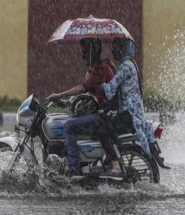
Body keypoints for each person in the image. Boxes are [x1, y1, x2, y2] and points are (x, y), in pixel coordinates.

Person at [99, 37, 169, 179]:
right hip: (133, 114)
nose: (114, 51)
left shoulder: (125, 66)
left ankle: (115, 166)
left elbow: (110, 90)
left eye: (117, 47)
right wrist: (112, 66)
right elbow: (120, 80)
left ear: (124, 49)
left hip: (128, 115)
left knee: (103, 130)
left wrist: (101, 84)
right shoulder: (131, 64)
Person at [47, 38, 114, 177]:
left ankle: (74, 170)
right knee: (70, 121)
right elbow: (86, 97)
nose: (82, 54)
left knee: (69, 127)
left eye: (84, 50)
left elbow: (83, 88)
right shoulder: (95, 69)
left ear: (92, 51)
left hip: (104, 116)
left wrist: (60, 94)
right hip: (101, 113)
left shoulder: (101, 69)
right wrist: (65, 102)